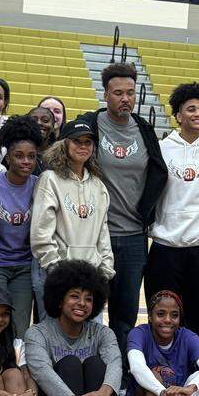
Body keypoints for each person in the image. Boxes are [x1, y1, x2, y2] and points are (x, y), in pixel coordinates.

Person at [76, 62, 167, 354]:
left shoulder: (144, 129)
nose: (125, 98)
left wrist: (147, 214)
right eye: (118, 93)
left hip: (133, 237)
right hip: (94, 234)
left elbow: (157, 173)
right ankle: (87, 368)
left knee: (125, 314)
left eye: (130, 93)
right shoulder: (90, 125)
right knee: (88, 309)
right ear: (106, 95)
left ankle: (122, 377)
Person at [23, 261, 121, 396]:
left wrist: (103, 394)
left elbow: (115, 363)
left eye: (88, 299)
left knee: (96, 364)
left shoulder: (102, 333)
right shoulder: (38, 333)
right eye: (75, 296)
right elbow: (42, 373)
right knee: (69, 363)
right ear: (59, 299)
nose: (82, 303)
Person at [146, 82, 199, 348]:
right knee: (161, 320)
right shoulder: (160, 148)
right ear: (178, 115)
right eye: (191, 109)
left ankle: (196, 378)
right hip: (165, 247)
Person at [0, 117, 44, 341]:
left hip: (24, 266)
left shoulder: (40, 185)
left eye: (32, 156)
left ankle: (15, 369)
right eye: (19, 155)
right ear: (7, 156)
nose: (26, 161)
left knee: (19, 327)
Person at [32, 120, 114, 281]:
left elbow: (103, 235)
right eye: (77, 141)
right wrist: (54, 268)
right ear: (64, 144)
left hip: (91, 273)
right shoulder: (50, 179)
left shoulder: (98, 186)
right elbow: (41, 233)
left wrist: (105, 271)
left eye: (88, 142)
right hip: (58, 273)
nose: (83, 146)